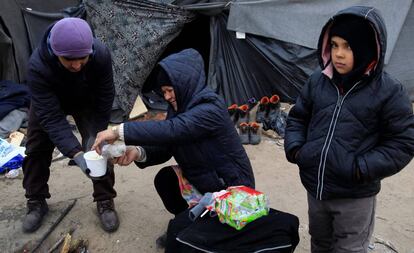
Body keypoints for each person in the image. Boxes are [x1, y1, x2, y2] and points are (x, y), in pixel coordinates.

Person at [92, 48, 255, 245]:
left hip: (230, 185)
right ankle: (190, 221)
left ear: (185, 83)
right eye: (164, 92)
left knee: (202, 241)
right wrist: (137, 152)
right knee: (166, 179)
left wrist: (118, 131)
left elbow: (173, 130)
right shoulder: (178, 109)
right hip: (202, 177)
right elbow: (168, 144)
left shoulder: (210, 107)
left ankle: (202, 230)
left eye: (170, 90)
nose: (167, 97)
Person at [284, 6, 414, 252]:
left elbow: (403, 143)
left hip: (354, 196)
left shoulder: (389, 92)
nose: (338, 54)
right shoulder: (317, 81)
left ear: (366, 48)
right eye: (334, 45)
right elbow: (298, 118)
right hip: (316, 188)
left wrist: (360, 168)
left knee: (349, 248)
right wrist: (297, 150)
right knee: (320, 243)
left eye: (348, 46)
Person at [22, 18, 119, 233]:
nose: (76, 65)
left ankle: (104, 200)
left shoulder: (100, 55)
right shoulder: (37, 66)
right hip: (48, 102)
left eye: (82, 59)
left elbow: (105, 96)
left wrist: (96, 134)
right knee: (35, 148)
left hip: (86, 100)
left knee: (99, 147)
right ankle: (36, 200)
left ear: (90, 50)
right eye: (68, 59)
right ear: (56, 52)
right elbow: (52, 118)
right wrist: (75, 153)